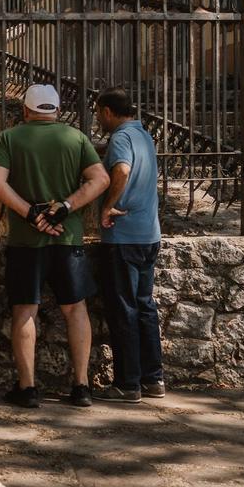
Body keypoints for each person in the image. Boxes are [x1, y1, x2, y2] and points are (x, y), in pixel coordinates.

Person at [0, 84, 110, 409]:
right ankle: (81, 385)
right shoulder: (76, 138)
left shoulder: (10, 138)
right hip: (68, 238)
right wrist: (66, 207)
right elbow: (100, 179)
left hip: (27, 239)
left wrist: (31, 212)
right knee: (75, 308)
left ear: (26, 110)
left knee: (26, 309)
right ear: (56, 109)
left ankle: (27, 388)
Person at [92, 88, 164, 403]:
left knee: (124, 309)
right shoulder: (144, 135)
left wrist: (108, 205)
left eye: (97, 112)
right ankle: (153, 379)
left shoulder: (120, 138)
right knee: (145, 306)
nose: (97, 117)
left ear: (108, 111)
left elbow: (121, 170)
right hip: (149, 234)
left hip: (124, 237)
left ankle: (128, 383)